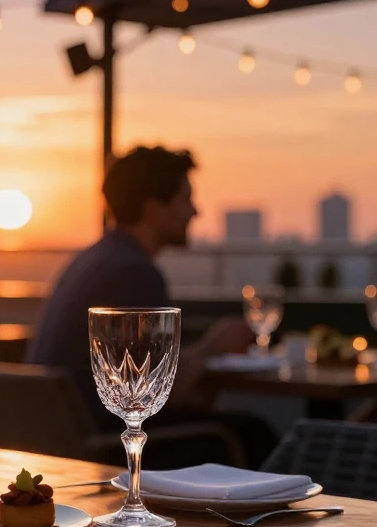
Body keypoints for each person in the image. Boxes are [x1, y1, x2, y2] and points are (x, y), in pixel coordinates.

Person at [29, 146, 272, 467]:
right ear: (153, 208)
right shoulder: (133, 272)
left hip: (65, 439)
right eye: (185, 199)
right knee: (254, 434)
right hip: (105, 449)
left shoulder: (95, 260)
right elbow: (156, 395)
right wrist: (214, 347)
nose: (194, 212)